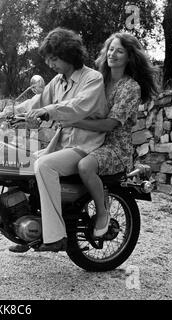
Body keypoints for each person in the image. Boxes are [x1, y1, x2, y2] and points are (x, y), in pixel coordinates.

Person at [0, 27, 108, 253]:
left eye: (54, 58)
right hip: (63, 143)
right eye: (47, 59)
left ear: (69, 54)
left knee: (44, 165)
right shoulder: (57, 81)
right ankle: (26, 231)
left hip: (85, 145)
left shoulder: (92, 79)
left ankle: (55, 236)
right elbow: (37, 101)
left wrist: (47, 112)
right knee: (20, 163)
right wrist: (3, 113)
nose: (50, 63)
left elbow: (78, 107)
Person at [61, 32, 158, 238]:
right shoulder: (99, 80)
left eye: (119, 51)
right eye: (111, 49)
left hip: (115, 147)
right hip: (89, 140)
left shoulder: (131, 87)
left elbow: (110, 124)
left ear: (129, 57)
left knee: (85, 166)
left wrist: (74, 120)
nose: (112, 54)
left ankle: (102, 213)